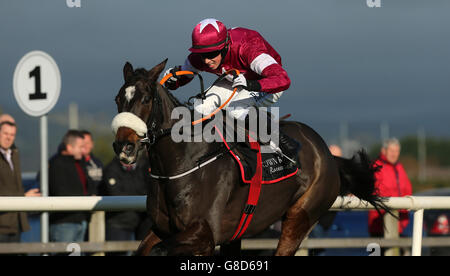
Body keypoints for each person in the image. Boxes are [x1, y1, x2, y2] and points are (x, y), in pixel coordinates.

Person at [163, 18, 299, 162]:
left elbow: (283, 79)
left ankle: (285, 144)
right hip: (234, 79)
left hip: (265, 82)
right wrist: (172, 80)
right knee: (201, 107)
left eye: (211, 54)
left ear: (225, 46)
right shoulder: (199, 57)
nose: (207, 61)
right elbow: (181, 79)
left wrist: (252, 85)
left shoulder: (247, 48)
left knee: (236, 109)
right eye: (203, 55)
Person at [48, 130, 96, 244]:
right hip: (64, 222)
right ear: (69, 147)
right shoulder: (56, 164)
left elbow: (87, 186)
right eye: (80, 147)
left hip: (81, 220)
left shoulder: (80, 162)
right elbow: (59, 191)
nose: (83, 150)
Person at [99, 155, 152, 256]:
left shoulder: (139, 168)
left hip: (138, 222)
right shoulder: (111, 169)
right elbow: (116, 194)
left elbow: (146, 190)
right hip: (118, 223)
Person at [0, 120, 40, 244]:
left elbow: (14, 186)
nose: (8, 138)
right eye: (5, 133)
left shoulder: (14, 153)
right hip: (2, 223)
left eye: (12, 135)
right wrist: (24, 197)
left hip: (16, 222)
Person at [368, 138, 413, 237]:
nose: (394, 154)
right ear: (384, 151)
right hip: (379, 225)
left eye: (396, 151)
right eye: (391, 151)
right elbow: (373, 190)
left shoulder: (399, 167)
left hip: (399, 224)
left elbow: (407, 189)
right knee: (379, 251)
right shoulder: (376, 167)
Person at [80, 130, 103, 194]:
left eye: (87, 143)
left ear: (92, 144)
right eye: (83, 143)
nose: (85, 146)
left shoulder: (98, 163)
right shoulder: (74, 164)